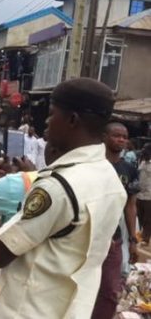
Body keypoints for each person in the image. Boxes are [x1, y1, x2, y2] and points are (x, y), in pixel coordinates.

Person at [0, 77, 127, 318]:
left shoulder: (58, 187)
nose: (46, 121)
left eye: (51, 113)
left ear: (72, 120)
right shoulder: (109, 178)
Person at [92, 122, 140, 319]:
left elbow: (130, 205)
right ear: (104, 136)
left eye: (124, 136)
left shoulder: (129, 169)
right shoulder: (92, 166)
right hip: (89, 237)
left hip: (115, 240)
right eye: (116, 135)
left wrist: (133, 241)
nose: (121, 139)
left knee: (111, 291)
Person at [137, 144, 151, 245]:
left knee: (148, 218)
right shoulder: (141, 161)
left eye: (145, 149)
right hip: (139, 195)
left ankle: (146, 238)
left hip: (149, 195)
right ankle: (143, 234)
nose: (143, 150)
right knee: (140, 216)